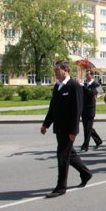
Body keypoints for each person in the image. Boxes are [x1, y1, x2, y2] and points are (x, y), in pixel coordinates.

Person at [40, 61, 92, 198]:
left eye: (57, 69)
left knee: (62, 156)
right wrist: (46, 124)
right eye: (54, 69)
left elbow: (77, 110)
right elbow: (53, 107)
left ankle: (61, 187)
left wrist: (74, 131)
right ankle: (86, 173)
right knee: (70, 154)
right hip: (59, 127)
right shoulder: (58, 86)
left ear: (65, 70)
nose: (55, 72)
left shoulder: (74, 86)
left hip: (68, 129)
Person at [80, 70, 103, 151]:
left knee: (87, 128)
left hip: (91, 108)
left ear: (92, 75)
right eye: (86, 74)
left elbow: (92, 94)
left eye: (88, 74)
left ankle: (85, 146)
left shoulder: (96, 84)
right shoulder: (85, 84)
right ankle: (98, 141)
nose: (86, 76)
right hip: (83, 109)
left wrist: (83, 86)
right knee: (87, 127)